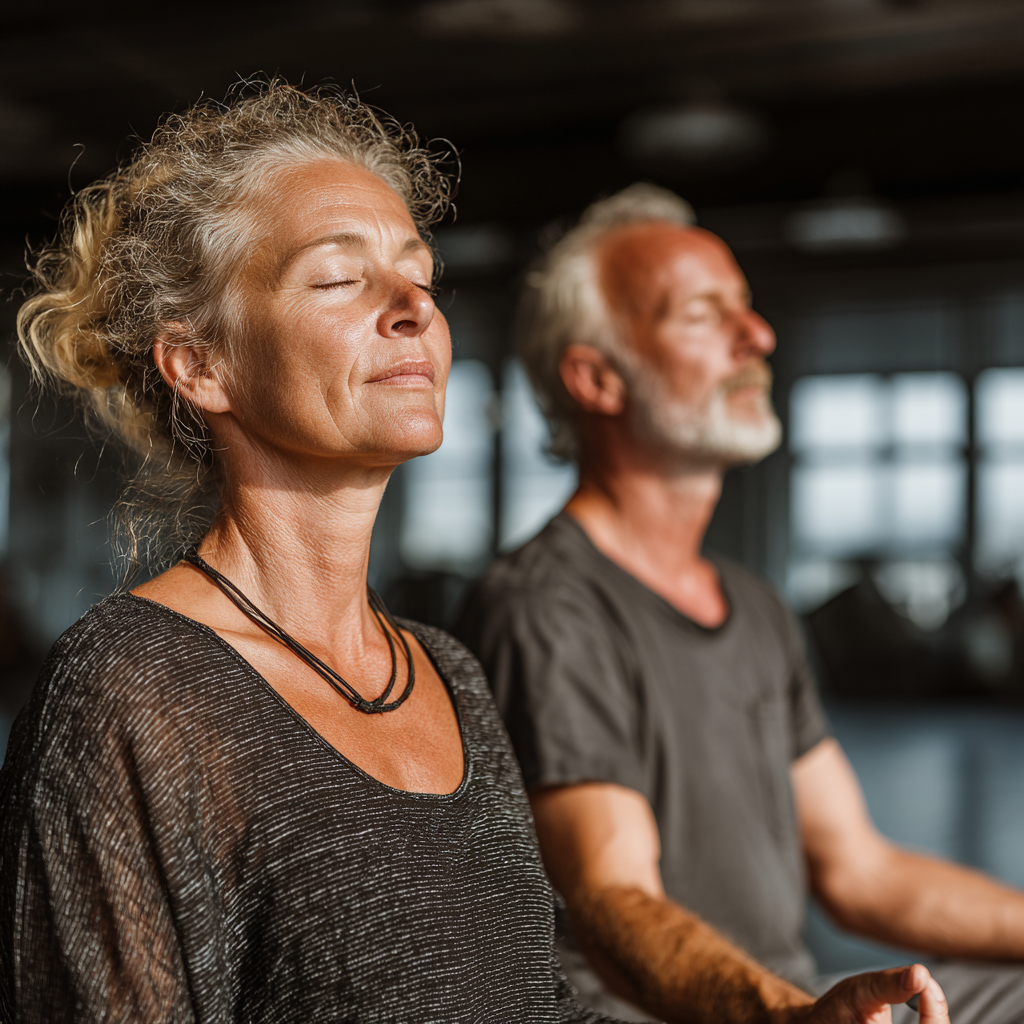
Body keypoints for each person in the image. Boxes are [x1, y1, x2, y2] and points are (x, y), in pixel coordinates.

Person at [455, 183, 1024, 1024]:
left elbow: (860, 871)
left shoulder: (753, 606)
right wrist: (793, 1018)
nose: (757, 337)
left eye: (749, 311)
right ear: (598, 377)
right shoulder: (544, 606)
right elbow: (615, 899)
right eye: (703, 314)